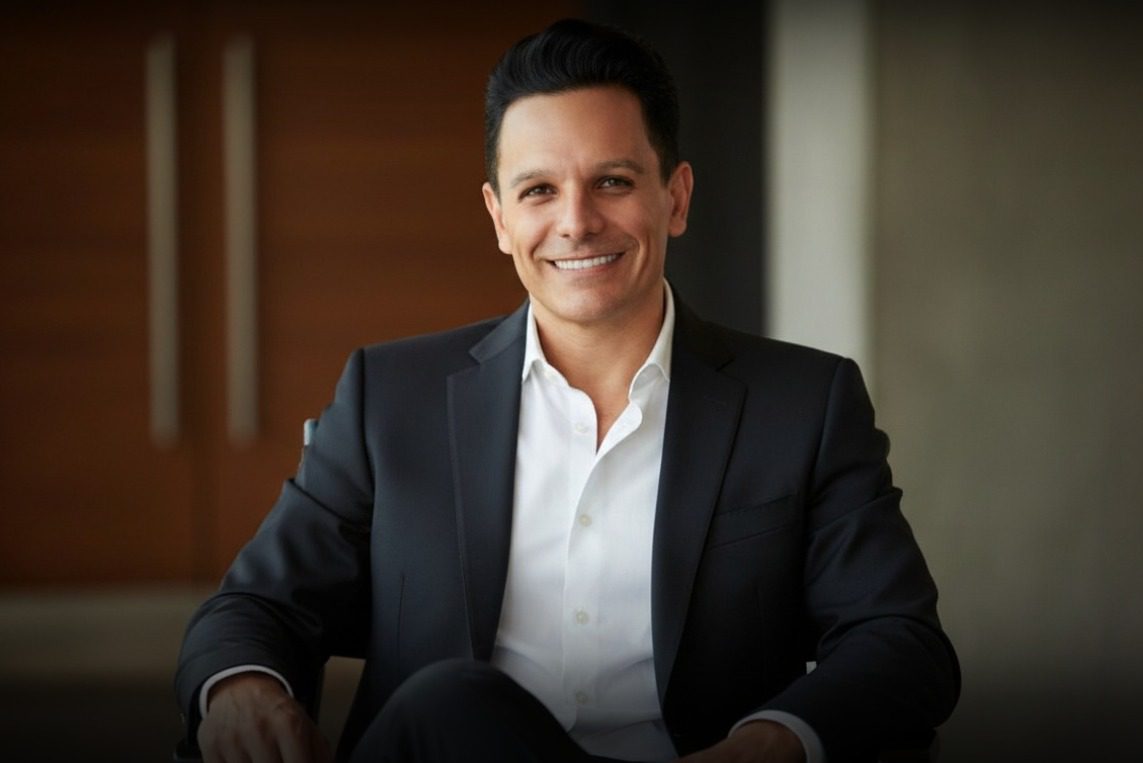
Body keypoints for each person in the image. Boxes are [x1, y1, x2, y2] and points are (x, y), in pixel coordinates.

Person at [176, 18, 959, 763]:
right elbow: (256, 604)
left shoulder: (803, 404)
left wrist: (769, 741)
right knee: (449, 705)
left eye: (611, 181)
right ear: (498, 217)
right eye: (538, 190)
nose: (576, 222)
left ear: (676, 197)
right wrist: (241, 688)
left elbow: (899, 639)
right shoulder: (391, 397)